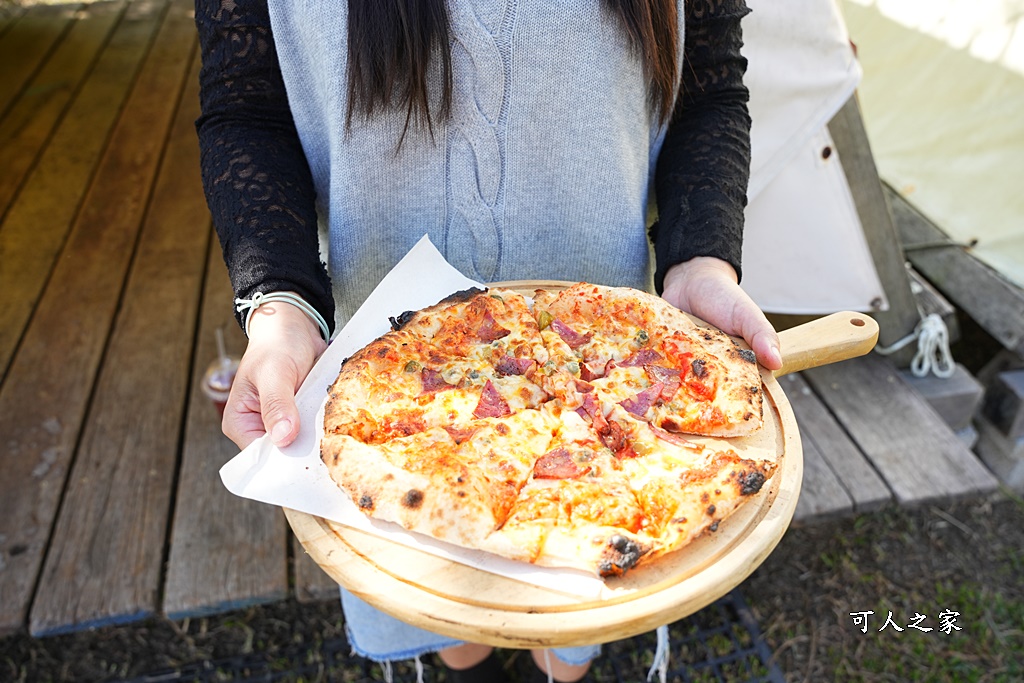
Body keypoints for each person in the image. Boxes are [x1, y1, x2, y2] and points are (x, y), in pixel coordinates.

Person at [195, 0, 781, 681]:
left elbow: (707, 84)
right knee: (449, 625)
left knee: (571, 635)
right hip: (384, 379)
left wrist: (701, 257)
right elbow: (249, 105)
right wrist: (281, 308)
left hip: (622, 391)